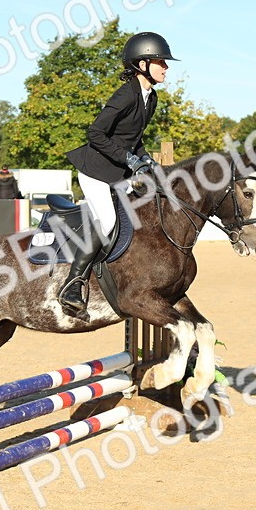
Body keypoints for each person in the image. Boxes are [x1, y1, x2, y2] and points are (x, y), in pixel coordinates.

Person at [59, 30, 177, 315]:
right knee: (109, 221)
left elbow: (132, 137)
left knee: (138, 218)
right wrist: (129, 159)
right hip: (97, 171)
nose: (166, 67)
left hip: (119, 173)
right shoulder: (125, 95)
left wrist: (145, 158)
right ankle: (72, 284)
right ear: (142, 64)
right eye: (160, 61)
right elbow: (96, 133)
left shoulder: (151, 98)